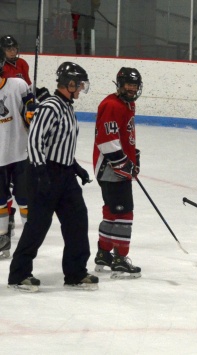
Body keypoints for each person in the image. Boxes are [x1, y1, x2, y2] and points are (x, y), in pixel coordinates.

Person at [8, 62, 97, 292]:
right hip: (44, 173)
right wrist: (40, 173)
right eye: (79, 85)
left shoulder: (67, 106)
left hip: (65, 175)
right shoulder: (50, 107)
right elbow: (35, 141)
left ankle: (76, 272)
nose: (81, 89)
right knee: (38, 224)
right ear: (69, 84)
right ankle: (19, 274)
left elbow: (59, 142)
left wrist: (75, 166)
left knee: (78, 221)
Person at [92, 67, 142, 279]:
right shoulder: (112, 105)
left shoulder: (126, 104)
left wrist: (134, 156)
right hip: (111, 168)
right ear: (120, 84)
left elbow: (123, 135)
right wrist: (124, 164)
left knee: (112, 211)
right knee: (124, 213)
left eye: (134, 85)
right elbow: (106, 141)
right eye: (128, 84)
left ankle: (104, 254)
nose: (132, 88)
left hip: (114, 167)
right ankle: (120, 259)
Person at [0, 49, 35, 259]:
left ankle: (30, 238)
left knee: (24, 199)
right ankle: (2, 237)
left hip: (20, 154)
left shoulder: (18, 85)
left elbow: (30, 106)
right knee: (0, 201)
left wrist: (31, 112)